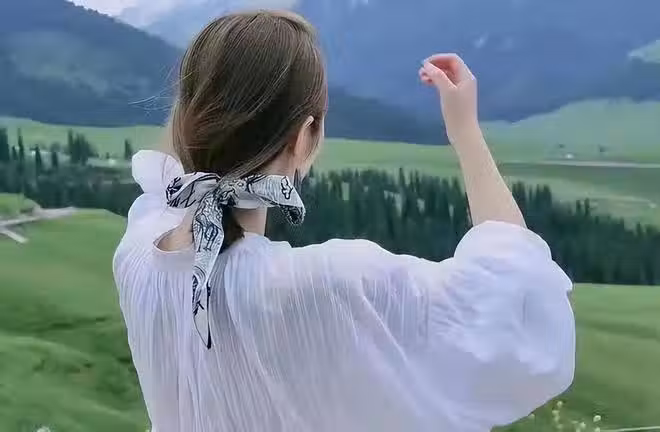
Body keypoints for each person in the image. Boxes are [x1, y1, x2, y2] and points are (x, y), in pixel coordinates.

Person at [113, 10, 575, 432]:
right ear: (304, 139)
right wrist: (466, 132)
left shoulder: (136, 255)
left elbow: (172, 190)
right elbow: (515, 297)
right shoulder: (332, 286)